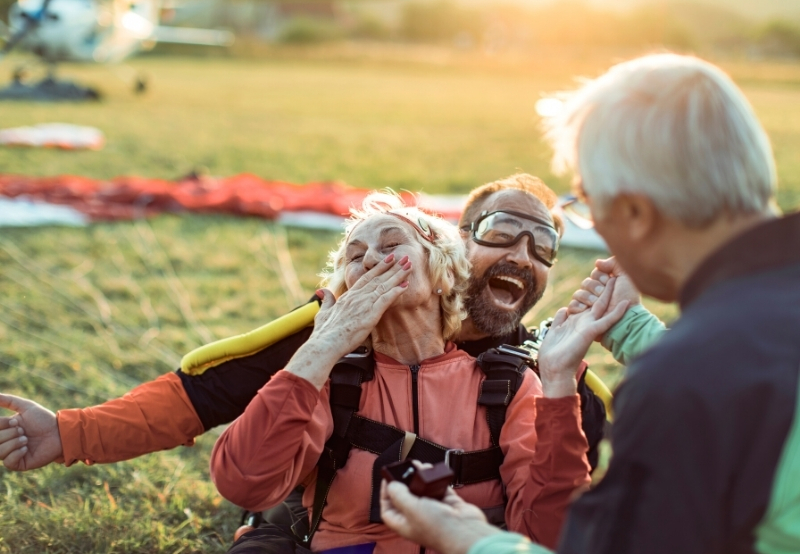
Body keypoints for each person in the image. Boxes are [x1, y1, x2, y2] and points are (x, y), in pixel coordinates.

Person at [376, 53, 800, 554]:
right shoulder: (732, 356)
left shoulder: (685, 383)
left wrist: (472, 541)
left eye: (586, 202)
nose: (595, 225)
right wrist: (630, 328)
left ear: (636, 212)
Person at [0, 174, 635, 475]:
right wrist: (65, 432)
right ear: (456, 245)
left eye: (543, 248)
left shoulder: (546, 365)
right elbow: (200, 393)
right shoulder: (346, 322)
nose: (522, 256)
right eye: (501, 234)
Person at [208, 191, 627, 554]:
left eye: (392, 244)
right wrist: (320, 349)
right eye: (355, 256)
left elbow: (548, 537)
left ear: (444, 275)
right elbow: (243, 483)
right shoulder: (330, 378)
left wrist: (557, 381)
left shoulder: (509, 385)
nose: (371, 258)